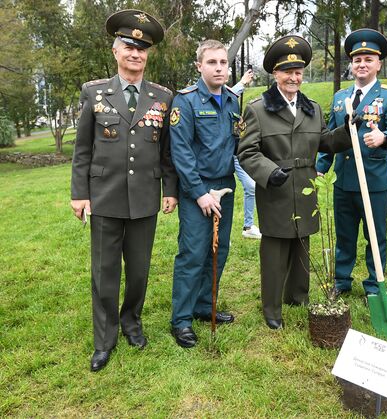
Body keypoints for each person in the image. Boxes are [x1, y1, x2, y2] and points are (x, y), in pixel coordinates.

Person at [70, 9, 178, 372]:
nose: (135, 53)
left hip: (146, 197)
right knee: (104, 272)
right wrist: (79, 194)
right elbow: (82, 149)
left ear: (148, 55)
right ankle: (105, 339)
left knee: (139, 271)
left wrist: (170, 189)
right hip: (104, 195)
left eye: (141, 49)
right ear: (115, 52)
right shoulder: (94, 93)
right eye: (128, 47)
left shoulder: (163, 97)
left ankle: (132, 322)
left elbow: (166, 150)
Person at [237, 35, 351, 330]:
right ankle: (272, 307)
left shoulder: (312, 108)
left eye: (298, 72)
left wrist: (350, 130)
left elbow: (324, 141)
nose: (293, 77)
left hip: (305, 186)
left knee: (302, 242)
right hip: (275, 188)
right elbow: (247, 151)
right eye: (287, 72)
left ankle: (297, 296)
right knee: (275, 249)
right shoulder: (258, 109)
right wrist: (267, 171)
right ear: (275, 74)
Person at [316, 29, 387, 297]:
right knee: (344, 235)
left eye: (368, 59)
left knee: (375, 235)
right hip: (344, 181)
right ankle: (341, 281)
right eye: (357, 60)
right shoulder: (340, 98)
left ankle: (373, 285)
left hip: (373, 179)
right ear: (351, 65)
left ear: (379, 64)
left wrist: (384, 137)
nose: (362, 64)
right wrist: (321, 167)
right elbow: (331, 138)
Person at [169, 40, 239, 348]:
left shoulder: (234, 100)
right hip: (197, 190)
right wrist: (199, 193)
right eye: (212, 62)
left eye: (223, 62)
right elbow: (181, 152)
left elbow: (240, 144)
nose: (219, 68)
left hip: (225, 187)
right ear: (200, 66)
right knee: (193, 254)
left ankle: (204, 305)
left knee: (218, 250)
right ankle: (181, 319)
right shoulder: (185, 102)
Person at [231, 69, 262, 239]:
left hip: (237, 154)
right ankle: (217, 232)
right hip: (220, 155)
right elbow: (229, 94)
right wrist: (242, 83)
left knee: (251, 186)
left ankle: (248, 226)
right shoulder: (220, 97)